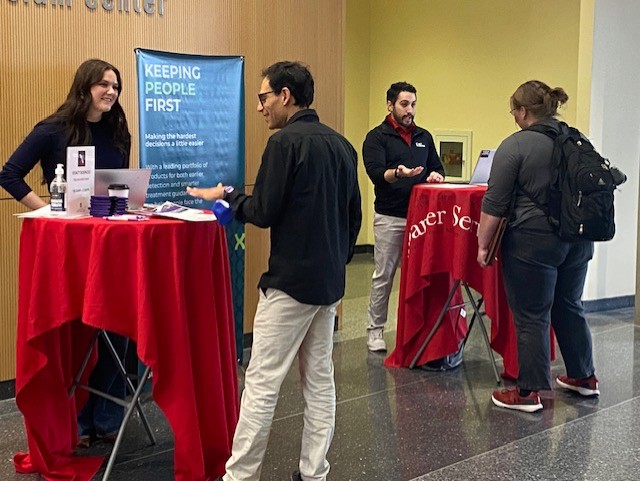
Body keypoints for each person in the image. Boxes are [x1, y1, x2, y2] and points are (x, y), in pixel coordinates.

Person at [187, 61, 361, 481]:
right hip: (329, 284)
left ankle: (239, 476)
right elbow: (353, 216)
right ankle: (314, 472)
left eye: (264, 98)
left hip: (289, 285)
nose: (261, 108)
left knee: (262, 384)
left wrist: (225, 204)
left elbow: (264, 210)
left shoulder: (284, 144)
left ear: (285, 95)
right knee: (319, 381)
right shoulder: (342, 145)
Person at [0, 58, 131, 444]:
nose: (111, 92)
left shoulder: (118, 129)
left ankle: (106, 420)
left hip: (110, 245)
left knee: (116, 326)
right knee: (73, 330)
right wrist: (48, 213)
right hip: (67, 248)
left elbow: (119, 185)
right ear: (84, 87)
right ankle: (72, 421)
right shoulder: (53, 129)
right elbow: (8, 174)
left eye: (116, 86)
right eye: (104, 84)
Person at [477, 80, 599, 413]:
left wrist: (483, 247)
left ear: (522, 111)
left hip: (533, 242)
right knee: (569, 305)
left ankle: (528, 392)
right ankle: (584, 377)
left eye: (513, 110)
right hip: (579, 239)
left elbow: (494, 204)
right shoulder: (578, 139)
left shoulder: (515, 145)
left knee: (531, 315)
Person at [362, 81, 445, 352]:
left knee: (420, 274)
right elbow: (376, 174)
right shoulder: (377, 137)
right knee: (384, 275)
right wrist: (398, 173)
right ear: (390, 105)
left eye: (413, 104)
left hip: (422, 219)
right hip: (390, 217)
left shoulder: (424, 136)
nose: (410, 110)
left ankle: (416, 329)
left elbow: (437, 168)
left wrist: (435, 176)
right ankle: (375, 330)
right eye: (404, 104)